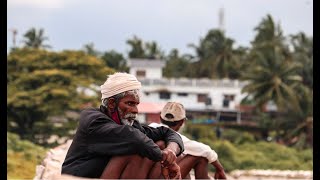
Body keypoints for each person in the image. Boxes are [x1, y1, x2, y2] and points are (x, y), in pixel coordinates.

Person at [61, 72, 184, 179]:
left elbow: (167, 132)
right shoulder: (93, 120)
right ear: (111, 103)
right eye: (130, 103)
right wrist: (167, 161)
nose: (135, 110)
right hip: (78, 177)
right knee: (137, 148)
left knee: (161, 144)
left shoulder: (128, 124)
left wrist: (171, 151)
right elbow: (135, 139)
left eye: (136, 104)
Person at [149, 102, 226, 179]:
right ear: (182, 121)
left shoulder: (150, 128)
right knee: (200, 157)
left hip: (147, 174)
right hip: (161, 177)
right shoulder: (175, 137)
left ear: (160, 117)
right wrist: (220, 169)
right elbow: (205, 150)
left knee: (182, 156)